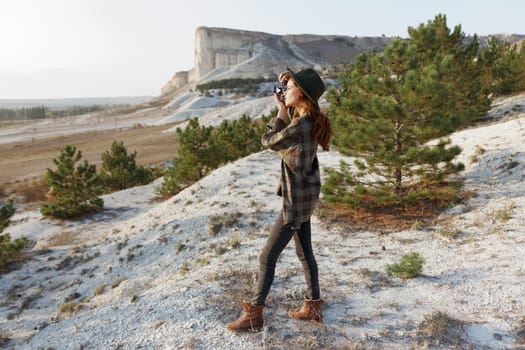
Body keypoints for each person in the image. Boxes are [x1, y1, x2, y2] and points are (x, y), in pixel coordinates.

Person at [226, 67, 333, 331]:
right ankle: (313, 307)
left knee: (266, 258)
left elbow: (269, 141)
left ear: (303, 94)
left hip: (295, 202)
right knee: (305, 253)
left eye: (290, 87)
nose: (285, 91)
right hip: (305, 198)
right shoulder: (310, 119)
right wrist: (288, 89)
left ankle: (254, 315)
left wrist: (280, 112)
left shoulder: (300, 124)